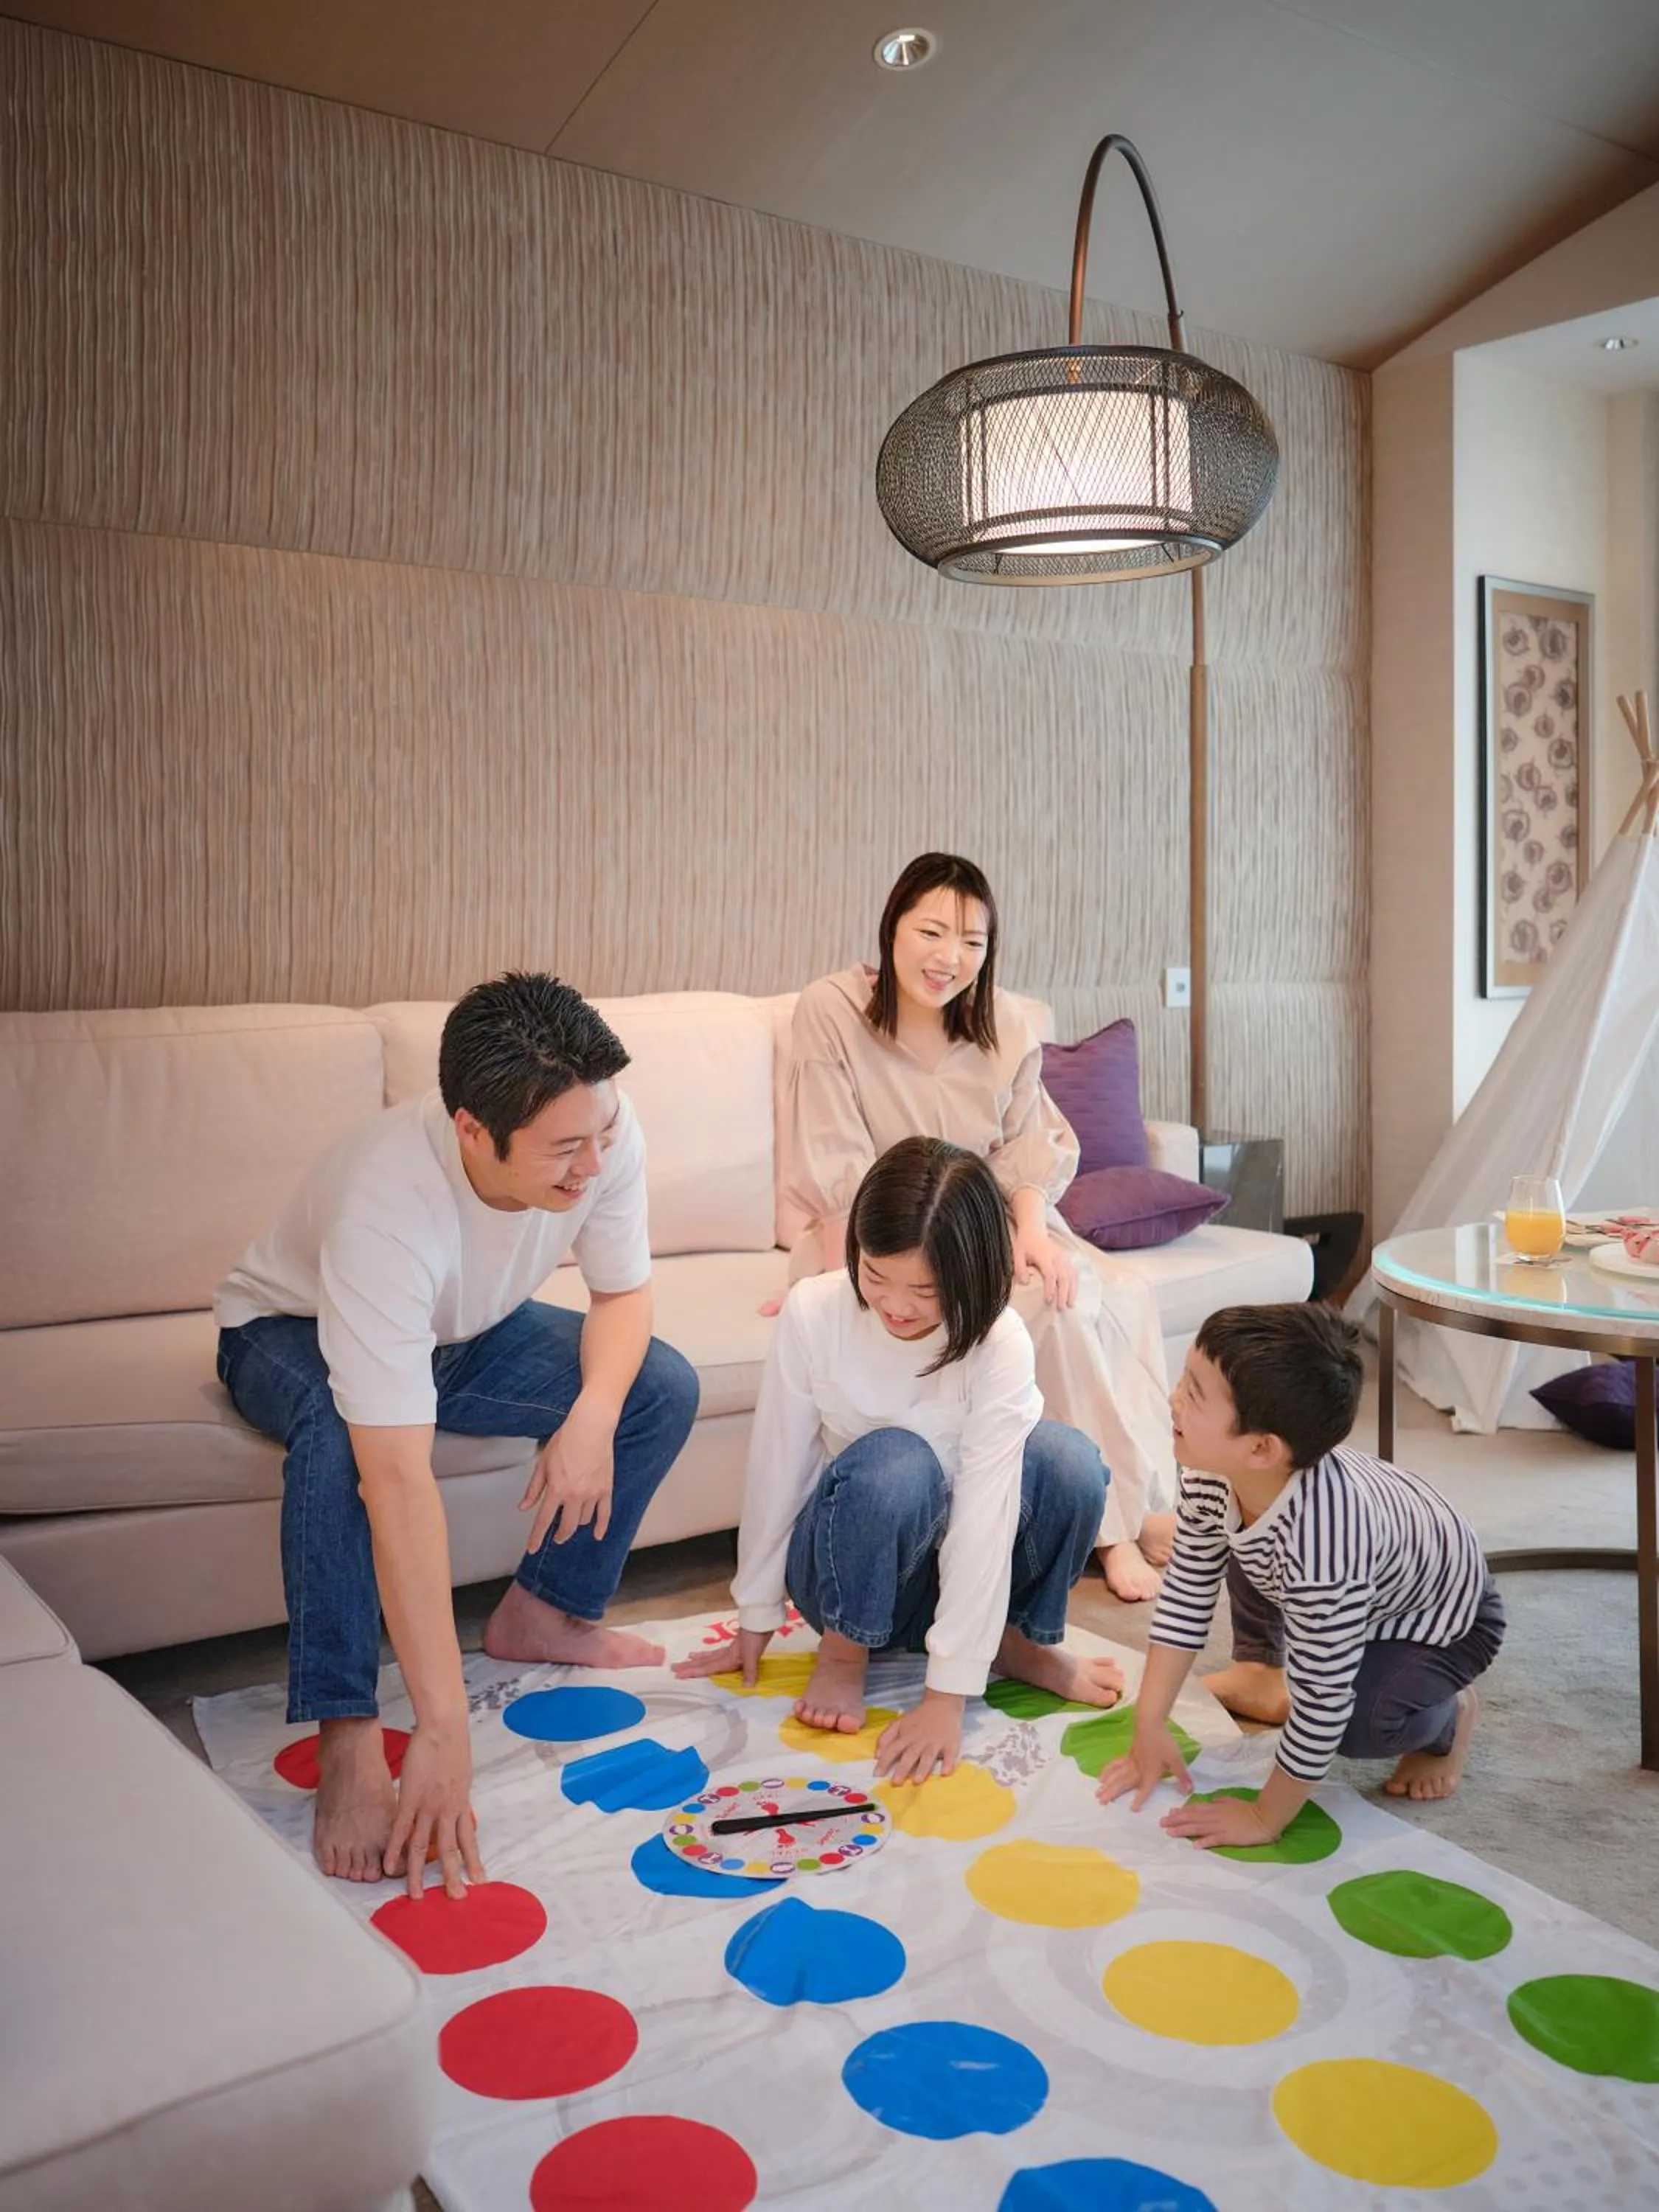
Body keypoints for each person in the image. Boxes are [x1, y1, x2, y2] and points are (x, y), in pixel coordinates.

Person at [215, 973, 699, 1896]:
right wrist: (441, 1727)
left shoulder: (600, 1128)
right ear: (474, 1128)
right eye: (564, 1150)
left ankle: (543, 1611)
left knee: (654, 1386)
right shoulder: (385, 1213)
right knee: (334, 1424)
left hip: (457, 1333)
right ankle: (347, 1730)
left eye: (601, 1136)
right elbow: (394, 1482)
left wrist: (592, 1417)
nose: (592, 1165)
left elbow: (623, 1294)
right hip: (285, 1331)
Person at [779, 851, 1175, 1602]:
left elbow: (1028, 1147)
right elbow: (834, 1163)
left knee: (1110, 1289)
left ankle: (1143, 1498)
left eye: (972, 942)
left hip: (992, 1222)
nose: (949, 958)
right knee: (1044, 1314)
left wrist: (1030, 1231)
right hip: (885, 1234)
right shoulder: (831, 1010)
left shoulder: (1005, 1022)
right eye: (931, 931)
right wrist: (846, 1285)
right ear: (892, 925)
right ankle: (1117, 1527)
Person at [675, 1136, 1122, 1783]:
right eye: (876, 1275)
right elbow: (780, 1469)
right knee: (896, 1462)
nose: (896, 1305)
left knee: (1070, 1461)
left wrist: (948, 1696)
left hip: (947, 1572)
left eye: (925, 1289)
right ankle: (845, 1653)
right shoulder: (814, 1310)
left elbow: (986, 1514)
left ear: (972, 1276)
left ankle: (1014, 1643)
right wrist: (757, 1612)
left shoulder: (999, 1343)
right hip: (846, 1567)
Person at [1096, 1304, 1505, 1848]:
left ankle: (1449, 1717)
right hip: (1357, 1579)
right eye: (1184, 1380)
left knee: (1359, 1722)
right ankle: (1260, 1669)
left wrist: (1264, 1819)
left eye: (1194, 1393)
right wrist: (1148, 1726)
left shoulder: (1322, 1555)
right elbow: (1185, 1599)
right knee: (1243, 1540)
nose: (1173, 1398)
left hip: (1446, 1621)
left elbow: (1322, 1706)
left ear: (1262, 1449)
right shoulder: (1212, 1471)